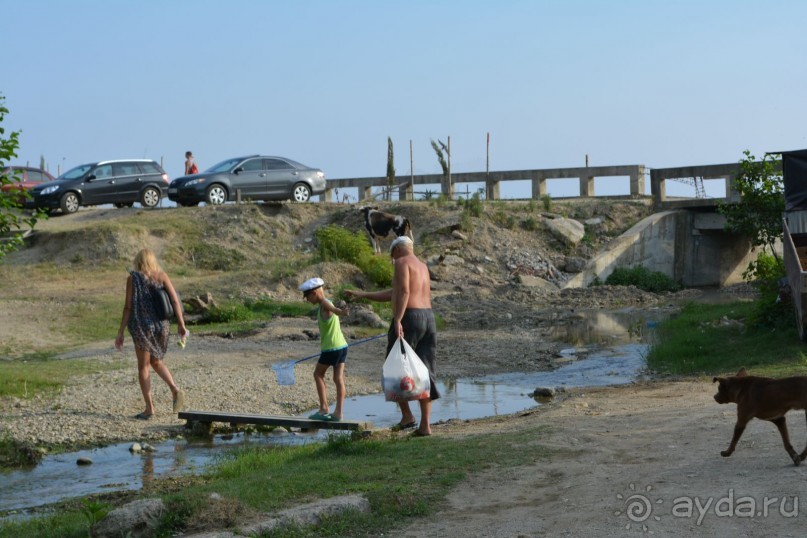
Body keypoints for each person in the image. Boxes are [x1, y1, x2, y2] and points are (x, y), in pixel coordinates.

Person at [345, 235, 438, 436]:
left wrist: (398, 319)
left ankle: (407, 416)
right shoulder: (422, 266)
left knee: (394, 366)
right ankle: (425, 425)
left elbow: (404, 292)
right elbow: (393, 292)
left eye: (392, 255)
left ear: (396, 250)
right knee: (425, 371)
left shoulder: (401, 262)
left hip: (410, 317)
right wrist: (363, 295)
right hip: (429, 318)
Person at [115, 248, 187, 419]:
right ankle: (174, 388)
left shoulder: (133, 279)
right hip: (162, 326)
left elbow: (128, 307)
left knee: (143, 367)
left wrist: (121, 331)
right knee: (157, 361)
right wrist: (181, 324)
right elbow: (175, 300)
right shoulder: (161, 275)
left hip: (142, 327)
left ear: (138, 261)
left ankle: (149, 409)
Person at [299, 277, 350, 421]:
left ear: (314, 292)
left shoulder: (325, 303)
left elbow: (334, 310)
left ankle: (323, 409)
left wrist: (341, 312)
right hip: (342, 346)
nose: (307, 300)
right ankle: (338, 413)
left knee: (318, 374)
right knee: (338, 378)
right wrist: (340, 311)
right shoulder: (325, 304)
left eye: (307, 296)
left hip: (331, 349)